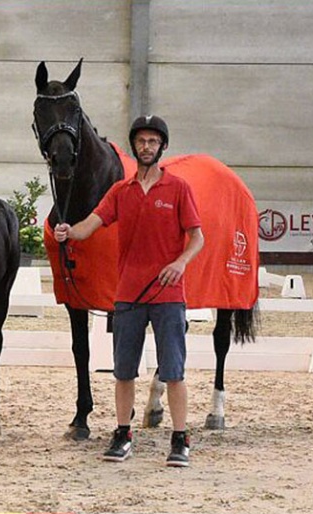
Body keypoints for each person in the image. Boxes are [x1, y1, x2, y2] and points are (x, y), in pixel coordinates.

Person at [54, 115, 204, 467]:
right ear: (135, 146)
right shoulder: (121, 191)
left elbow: (198, 237)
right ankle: (123, 433)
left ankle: (180, 438)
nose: (147, 147)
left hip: (168, 294)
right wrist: (68, 231)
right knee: (124, 371)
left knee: (174, 371)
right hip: (129, 295)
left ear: (162, 147)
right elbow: (93, 223)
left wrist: (180, 263)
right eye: (142, 141)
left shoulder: (179, 189)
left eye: (153, 142)